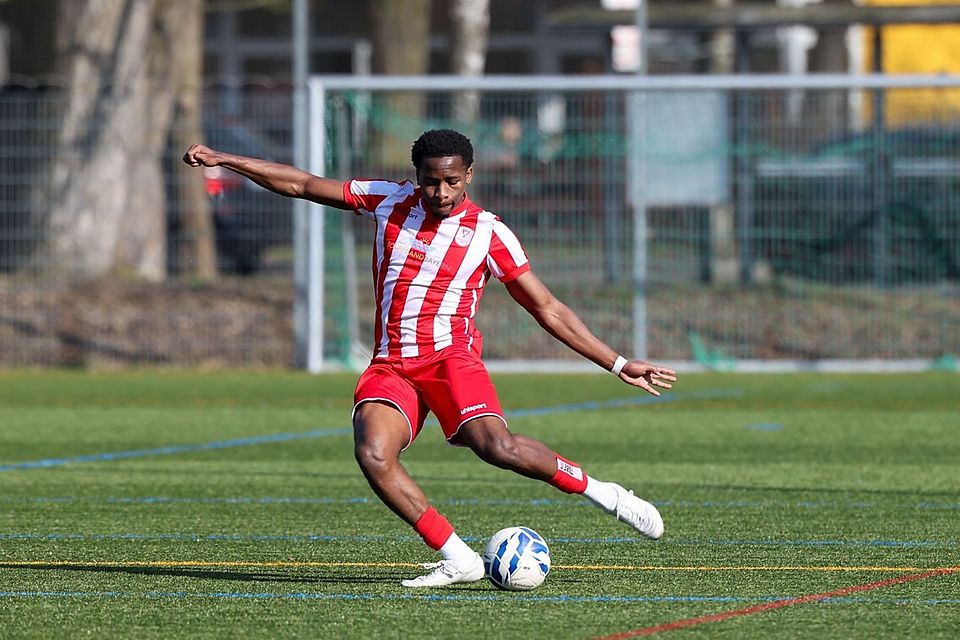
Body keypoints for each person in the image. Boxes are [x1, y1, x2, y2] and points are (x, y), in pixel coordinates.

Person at [182, 129, 677, 588]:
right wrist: (226, 159)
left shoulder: (489, 232)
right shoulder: (387, 199)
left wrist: (617, 362)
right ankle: (459, 556)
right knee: (373, 453)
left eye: (451, 181)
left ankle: (606, 493)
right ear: (415, 177)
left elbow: (545, 307)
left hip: (450, 361)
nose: (440, 192)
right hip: (391, 365)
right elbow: (303, 184)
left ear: (469, 176)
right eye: (430, 181)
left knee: (496, 448)